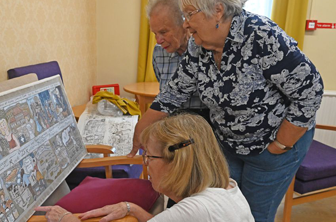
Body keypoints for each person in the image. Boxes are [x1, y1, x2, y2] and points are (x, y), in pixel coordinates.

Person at [127, 0, 324, 221]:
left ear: (218, 11)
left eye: (190, 14)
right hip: (228, 144)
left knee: (255, 215)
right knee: (222, 206)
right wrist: (142, 129)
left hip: (271, 145)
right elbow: (174, 92)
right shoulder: (198, 43)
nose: (185, 25)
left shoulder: (261, 35)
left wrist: (279, 145)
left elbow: (311, 90)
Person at [35, 114, 254, 222]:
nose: (146, 164)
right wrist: (132, 208)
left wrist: (66, 219)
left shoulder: (194, 210)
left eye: (149, 156)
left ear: (176, 163)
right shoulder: (228, 188)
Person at [147, 0, 211, 124]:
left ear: (185, 24)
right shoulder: (158, 52)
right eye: (155, 33)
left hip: (204, 125)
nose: (158, 40)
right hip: (171, 124)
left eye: (163, 32)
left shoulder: (207, 49)